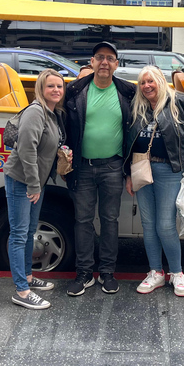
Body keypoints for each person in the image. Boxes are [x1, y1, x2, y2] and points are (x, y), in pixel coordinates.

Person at [64, 42, 136, 296]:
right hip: (82, 167)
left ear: (117, 65)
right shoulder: (74, 92)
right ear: (91, 62)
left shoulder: (128, 93)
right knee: (82, 221)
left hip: (113, 167)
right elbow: (55, 114)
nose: (104, 62)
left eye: (110, 58)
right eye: (100, 57)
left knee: (110, 221)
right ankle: (84, 273)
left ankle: (107, 272)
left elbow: (156, 104)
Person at [125, 66, 184, 297]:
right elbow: (129, 141)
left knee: (165, 225)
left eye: (151, 81)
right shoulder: (137, 106)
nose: (147, 86)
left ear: (160, 81)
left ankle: (177, 273)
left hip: (169, 169)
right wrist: (128, 174)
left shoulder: (179, 101)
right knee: (148, 225)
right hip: (141, 168)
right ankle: (156, 272)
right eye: (142, 83)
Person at [3, 69, 67, 310]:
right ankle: (22, 290)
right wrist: (33, 184)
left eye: (59, 87)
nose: (56, 90)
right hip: (22, 180)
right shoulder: (35, 111)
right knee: (19, 234)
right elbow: (26, 149)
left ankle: (28, 277)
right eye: (51, 86)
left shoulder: (51, 113)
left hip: (34, 182)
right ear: (41, 88)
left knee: (29, 231)